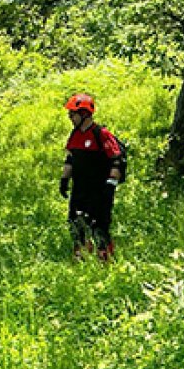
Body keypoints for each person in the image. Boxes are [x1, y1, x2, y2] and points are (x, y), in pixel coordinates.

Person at [59, 93, 125, 261]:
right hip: (80, 187)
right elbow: (70, 159)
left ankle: (105, 257)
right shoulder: (75, 135)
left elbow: (116, 160)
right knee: (75, 222)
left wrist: (111, 184)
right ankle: (80, 255)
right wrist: (64, 180)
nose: (70, 117)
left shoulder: (100, 134)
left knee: (99, 225)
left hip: (99, 189)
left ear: (84, 114)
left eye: (72, 114)